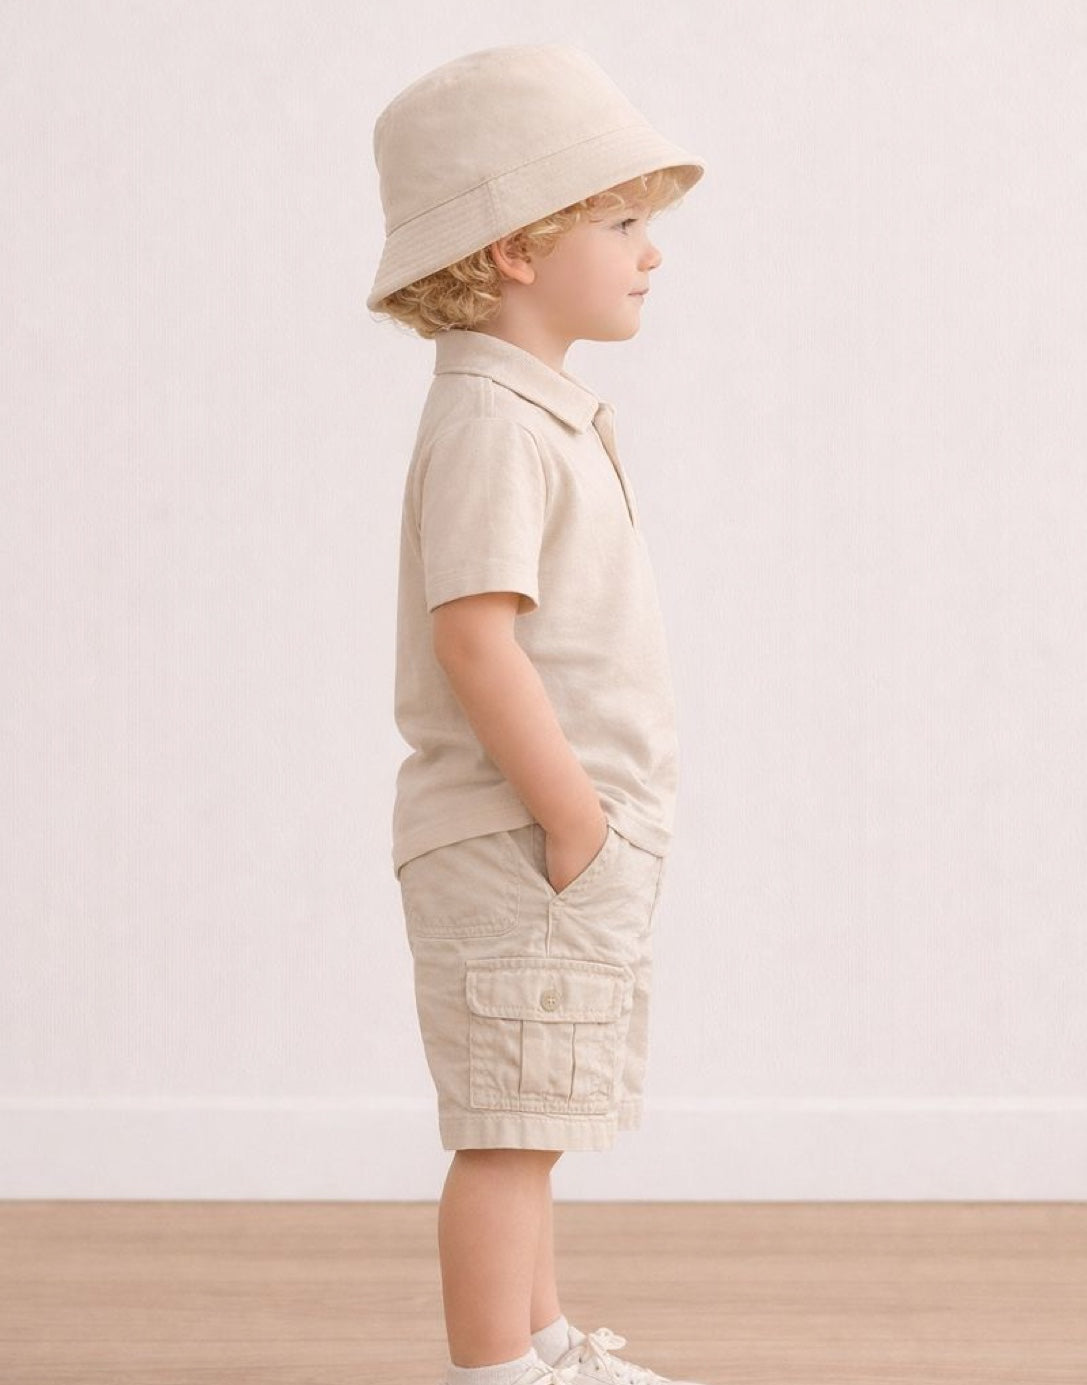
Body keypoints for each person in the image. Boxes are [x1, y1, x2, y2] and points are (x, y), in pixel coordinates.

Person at [368, 43, 708, 1385]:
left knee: (538, 1104)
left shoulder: (534, 411)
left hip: (554, 847)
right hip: (524, 839)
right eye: (620, 219)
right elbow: (474, 634)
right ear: (516, 246)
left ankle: (544, 1343)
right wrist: (572, 815)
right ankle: (495, 1369)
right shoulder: (496, 424)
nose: (650, 252)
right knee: (507, 1122)